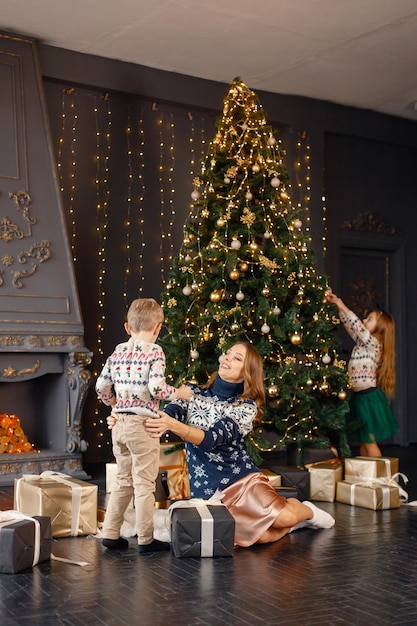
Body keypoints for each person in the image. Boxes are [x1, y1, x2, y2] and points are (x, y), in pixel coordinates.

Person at [137, 341, 335, 548]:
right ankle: (296, 525)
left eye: (237, 358)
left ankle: (305, 510)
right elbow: (163, 415)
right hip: (209, 493)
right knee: (261, 538)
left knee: (283, 518)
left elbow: (210, 439)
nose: (228, 358)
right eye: (228, 354)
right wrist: (124, 418)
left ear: (246, 373)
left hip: (242, 482)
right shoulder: (191, 393)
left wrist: (173, 425)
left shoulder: (245, 407)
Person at [96, 298, 192, 553]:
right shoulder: (155, 351)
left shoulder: (117, 351)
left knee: (123, 480)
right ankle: (146, 539)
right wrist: (179, 394)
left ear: (128, 327)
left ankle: (110, 533)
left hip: (119, 426)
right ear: (158, 328)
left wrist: (114, 404)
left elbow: (100, 386)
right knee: (144, 483)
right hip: (143, 425)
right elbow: (157, 388)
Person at [326, 291, 398, 458]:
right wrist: (338, 307)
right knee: (365, 441)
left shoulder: (374, 342)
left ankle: (381, 476)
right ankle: (369, 475)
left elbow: (357, 326)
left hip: (368, 398)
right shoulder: (363, 341)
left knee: (369, 441)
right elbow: (351, 326)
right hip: (359, 397)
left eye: (370, 319)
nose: (364, 321)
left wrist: (341, 303)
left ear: (380, 327)